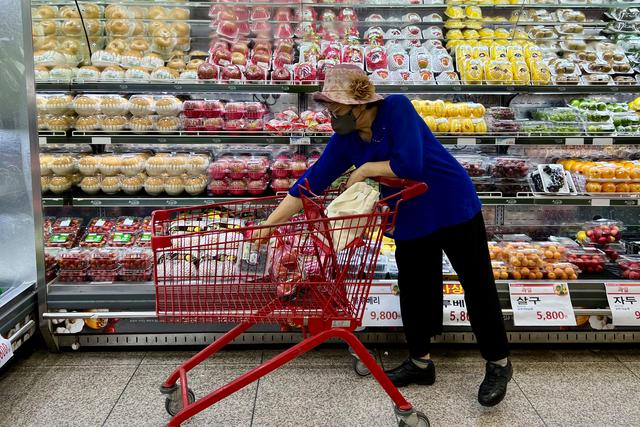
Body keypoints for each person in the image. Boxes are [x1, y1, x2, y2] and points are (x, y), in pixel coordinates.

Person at [258, 64, 512, 407]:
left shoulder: (397, 109)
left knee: (477, 284)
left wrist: (365, 169)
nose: (332, 114)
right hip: (410, 211)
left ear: (359, 105)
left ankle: (498, 363)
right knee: (415, 288)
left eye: (337, 108)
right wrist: (269, 224)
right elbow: (312, 181)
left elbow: (410, 164)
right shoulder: (346, 138)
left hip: (451, 203)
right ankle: (420, 362)